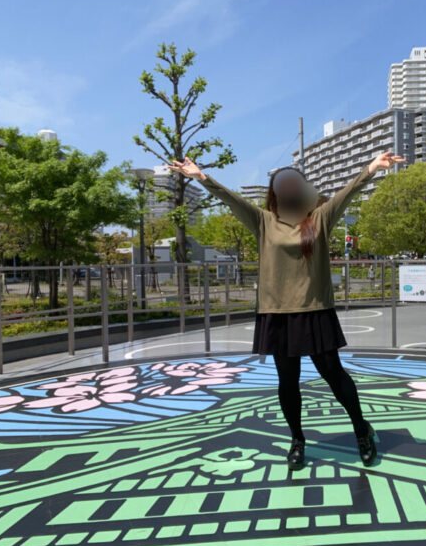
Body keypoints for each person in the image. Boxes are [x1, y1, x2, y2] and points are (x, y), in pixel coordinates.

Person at [170, 151, 405, 470]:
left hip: (314, 309)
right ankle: (298, 439)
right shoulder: (263, 221)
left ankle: (361, 429)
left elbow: (346, 194)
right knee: (287, 380)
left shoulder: (320, 217)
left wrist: (371, 169)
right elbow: (231, 199)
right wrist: (201, 177)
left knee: (333, 375)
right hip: (277, 313)